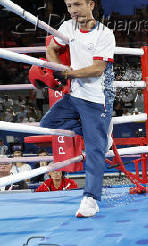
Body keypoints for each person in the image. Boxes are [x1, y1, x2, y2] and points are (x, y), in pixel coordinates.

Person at [39, 0, 115, 217]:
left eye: (78, 4)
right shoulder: (66, 27)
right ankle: (99, 135)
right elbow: (51, 48)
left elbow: (98, 69)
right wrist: (59, 70)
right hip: (74, 95)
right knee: (47, 124)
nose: (72, 10)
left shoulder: (105, 34)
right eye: (69, 5)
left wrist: (68, 74)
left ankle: (90, 200)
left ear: (91, 4)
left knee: (93, 151)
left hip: (97, 97)